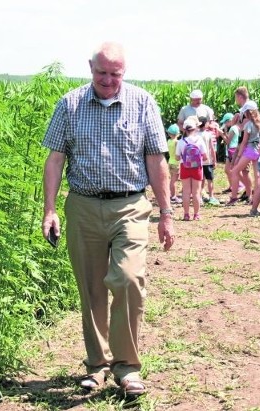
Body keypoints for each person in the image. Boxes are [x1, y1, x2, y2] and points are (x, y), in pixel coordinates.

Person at [41, 42, 174, 397]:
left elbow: (156, 161)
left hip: (130, 206)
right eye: (102, 72)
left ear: (124, 72)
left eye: (115, 74)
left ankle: (127, 368)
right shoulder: (69, 105)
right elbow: (55, 160)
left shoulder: (143, 103)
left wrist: (166, 214)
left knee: (128, 280)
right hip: (83, 206)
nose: (108, 80)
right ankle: (97, 366)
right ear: (90, 68)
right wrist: (50, 210)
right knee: (91, 290)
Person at [226, 100, 260, 205]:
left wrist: (238, 156)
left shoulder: (248, 125)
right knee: (257, 176)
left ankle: (233, 197)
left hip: (249, 150)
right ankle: (254, 199)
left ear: (247, 112)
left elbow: (244, 142)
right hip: (258, 149)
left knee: (235, 171)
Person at [176, 116, 208, 220]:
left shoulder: (181, 142)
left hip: (184, 167)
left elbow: (177, 157)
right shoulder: (199, 140)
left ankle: (186, 214)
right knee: (196, 192)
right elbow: (205, 156)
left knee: (186, 191)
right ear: (195, 128)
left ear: (184, 129)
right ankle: (196, 214)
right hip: (197, 168)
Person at [199, 116, 221, 206]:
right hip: (208, 160)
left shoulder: (195, 134)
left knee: (201, 180)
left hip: (199, 161)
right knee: (210, 180)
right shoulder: (208, 134)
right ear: (206, 124)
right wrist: (215, 160)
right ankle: (211, 196)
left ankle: (199, 198)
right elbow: (212, 148)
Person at [166, 124, 183, 204]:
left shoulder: (169, 141)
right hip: (176, 163)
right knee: (173, 181)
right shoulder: (177, 142)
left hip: (170, 161)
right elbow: (178, 153)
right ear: (177, 134)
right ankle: (173, 196)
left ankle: (171, 195)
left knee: (172, 180)